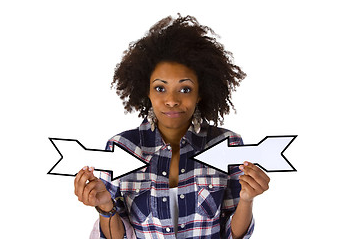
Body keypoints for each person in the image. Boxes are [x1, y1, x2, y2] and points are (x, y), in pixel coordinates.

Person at [74, 15, 270, 239]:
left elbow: (233, 235)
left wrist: (247, 199)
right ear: (146, 91)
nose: (172, 100)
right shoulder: (122, 147)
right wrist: (105, 207)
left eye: (185, 89)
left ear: (200, 93)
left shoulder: (227, 144)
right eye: (160, 88)